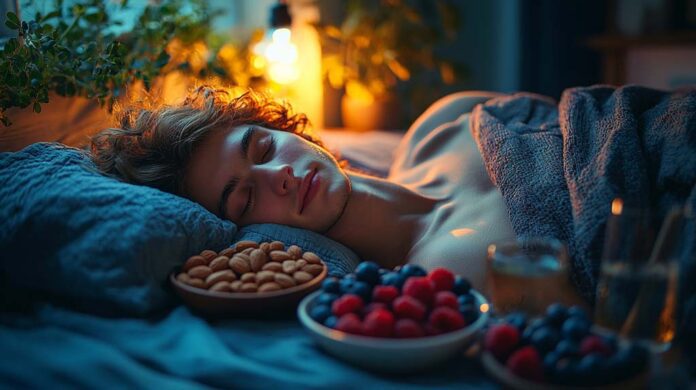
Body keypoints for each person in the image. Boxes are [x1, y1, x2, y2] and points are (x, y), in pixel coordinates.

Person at [90, 86, 581, 303]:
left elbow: (590, 116)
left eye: (262, 147)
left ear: (290, 131)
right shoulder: (448, 276)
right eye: (243, 199)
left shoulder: (444, 121)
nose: (278, 174)